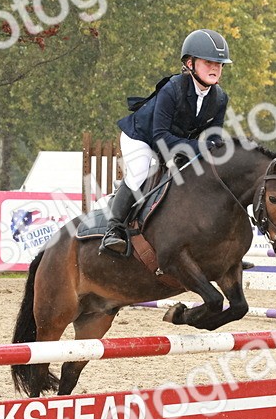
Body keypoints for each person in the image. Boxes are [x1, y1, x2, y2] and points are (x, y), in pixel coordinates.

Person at [99, 28, 232, 255]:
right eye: (208, 62)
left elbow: (212, 139)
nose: (215, 68)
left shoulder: (219, 98)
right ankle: (114, 230)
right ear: (190, 63)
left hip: (175, 141)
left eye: (219, 64)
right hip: (141, 138)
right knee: (141, 171)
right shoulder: (172, 89)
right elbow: (160, 138)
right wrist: (200, 147)